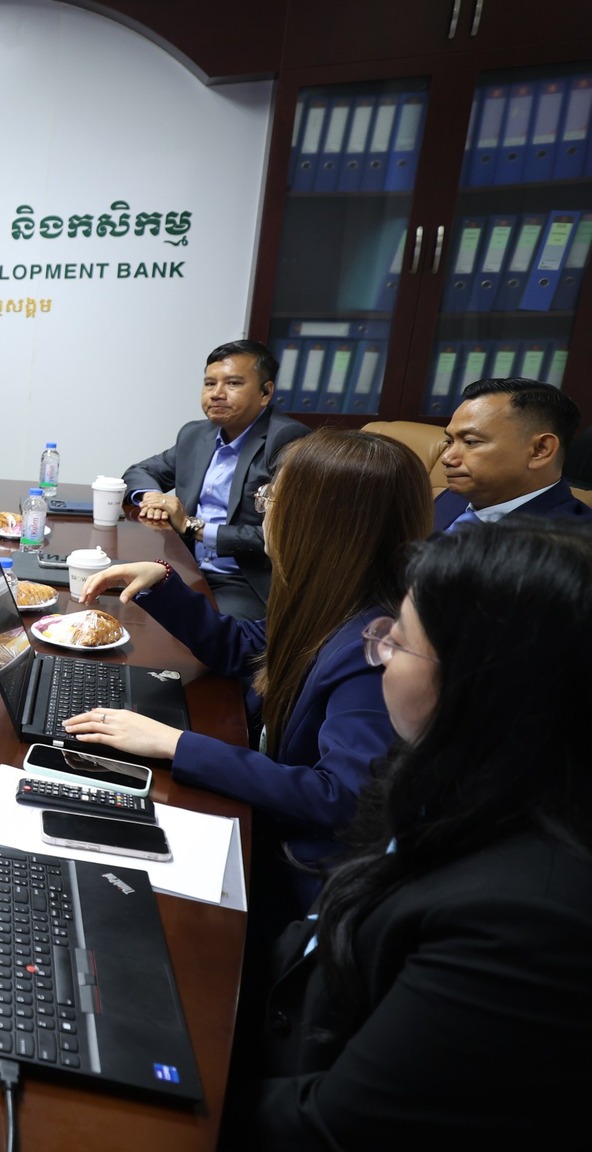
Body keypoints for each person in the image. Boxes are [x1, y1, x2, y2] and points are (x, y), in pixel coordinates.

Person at [233, 519, 592, 1146]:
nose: (378, 659)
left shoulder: (526, 920)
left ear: (480, 684)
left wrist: (173, 1085)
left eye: (396, 645)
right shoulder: (446, 777)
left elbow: (331, 1126)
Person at [68, 429, 430, 918]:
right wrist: (162, 582)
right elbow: (244, 648)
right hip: (265, 824)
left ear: (321, 520)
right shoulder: (330, 597)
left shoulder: (376, 646)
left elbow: (343, 799)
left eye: (272, 497)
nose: (264, 511)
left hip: (294, 879)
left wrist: (177, 745)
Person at [122, 339, 310, 619]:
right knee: (123, 609)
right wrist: (153, 497)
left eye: (233, 383)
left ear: (265, 392)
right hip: (185, 567)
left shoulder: (288, 440)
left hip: (243, 582)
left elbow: (284, 535)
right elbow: (140, 471)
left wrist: (191, 526)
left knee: (193, 632)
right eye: (210, 384)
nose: (216, 394)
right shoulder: (196, 434)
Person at [432, 377, 592, 532]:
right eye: (449, 442)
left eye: (470, 442)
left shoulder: (573, 541)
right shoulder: (454, 497)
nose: (447, 458)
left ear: (540, 450)